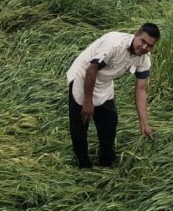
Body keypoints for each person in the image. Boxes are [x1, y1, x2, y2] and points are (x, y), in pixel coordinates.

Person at [66, 23, 159, 168]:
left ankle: (106, 162)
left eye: (150, 45)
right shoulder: (114, 44)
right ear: (136, 34)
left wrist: (144, 124)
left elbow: (141, 90)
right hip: (83, 77)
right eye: (143, 41)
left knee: (109, 123)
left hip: (104, 83)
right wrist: (88, 103)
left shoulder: (144, 58)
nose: (145, 47)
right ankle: (83, 164)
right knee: (80, 125)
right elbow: (91, 70)